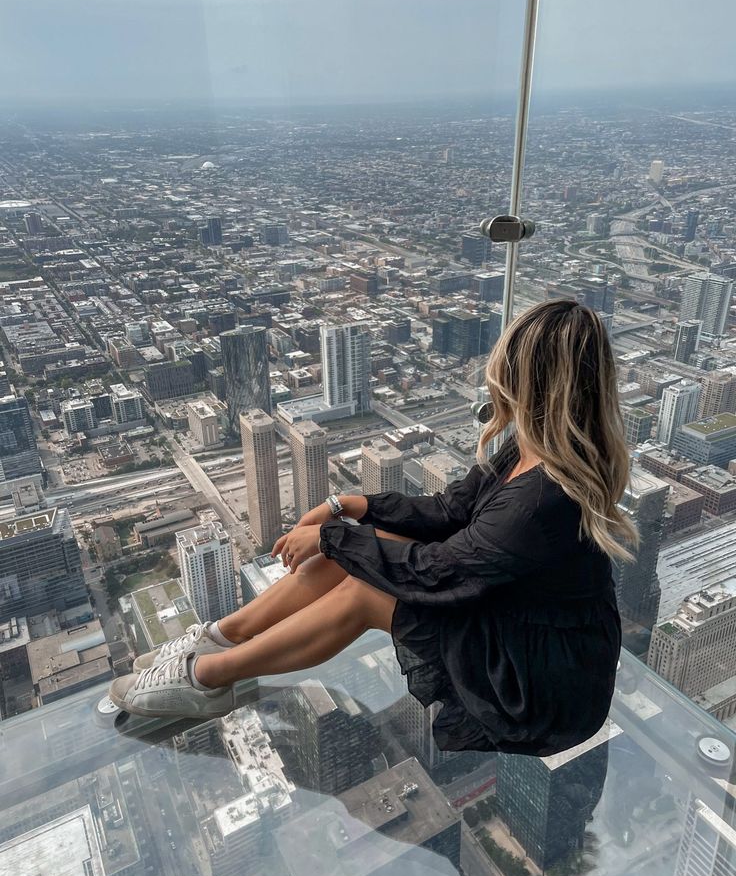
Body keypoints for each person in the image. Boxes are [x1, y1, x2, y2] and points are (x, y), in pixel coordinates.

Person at [109, 298, 638, 756]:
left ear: (535, 384)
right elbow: (449, 511)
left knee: (364, 590)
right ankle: (219, 639)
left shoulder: (543, 498)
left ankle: (205, 680)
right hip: (522, 619)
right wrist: (350, 507)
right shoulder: (532, 451)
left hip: (543, 681)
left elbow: (437, 570)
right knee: (360, 551)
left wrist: (331, 536)